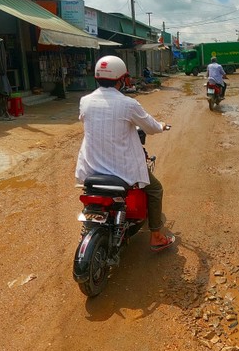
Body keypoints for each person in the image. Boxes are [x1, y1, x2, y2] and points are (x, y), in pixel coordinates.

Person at [75, 55, 175, 251]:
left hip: (91, 168)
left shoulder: (84, 101)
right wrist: (161, 126)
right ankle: (156, 235)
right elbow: (151, 127)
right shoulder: (128, 104)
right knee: (155, 189)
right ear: (121, 79)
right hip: (123, 170)